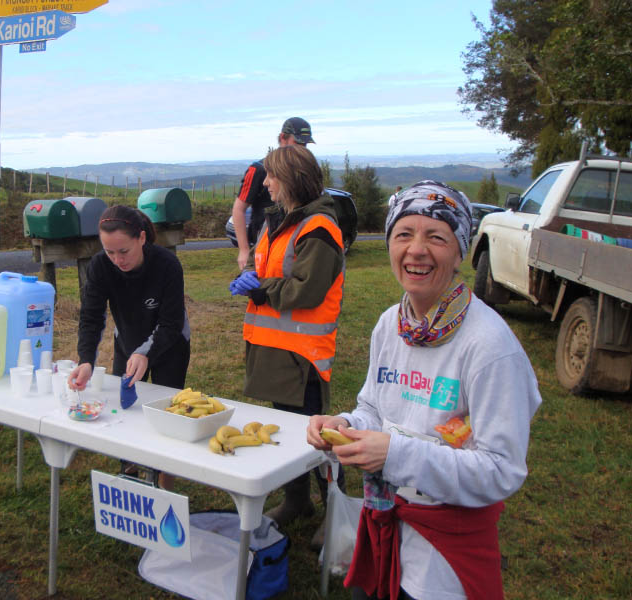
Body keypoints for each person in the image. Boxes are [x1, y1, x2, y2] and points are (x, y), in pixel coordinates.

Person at [306, 181, 542, 600]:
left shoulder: (489, 346)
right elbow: (374, 409)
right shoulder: (390, 325)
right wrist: (344, 425)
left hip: (444, 556)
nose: (416, 250)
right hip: (384, 525)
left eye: (436, 237)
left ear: (459, 251)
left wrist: (395, 455)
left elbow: (501, 469)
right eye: (403, 234)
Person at [229, 144, 345, 549]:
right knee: (288, 430)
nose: (266, 183)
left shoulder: (319, 228)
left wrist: (261, 288)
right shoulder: (278, 221)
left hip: (302, 356)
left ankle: (338, 510)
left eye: (272, 176)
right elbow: (267, 268)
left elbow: (308, 290)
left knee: (318, 436)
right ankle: (297, 501)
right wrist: (250, 278)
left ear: (292, 179)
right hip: (276, 351)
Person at [69, 205, 191, 488]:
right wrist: (86, 360)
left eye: (123, 251)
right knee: (126, 410)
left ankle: (163, 483)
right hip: (127, 339)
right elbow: (91, 317)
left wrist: (145, 352)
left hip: (170, 344)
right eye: (110, 252)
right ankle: (130, 478)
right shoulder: (100, 266)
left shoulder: (167, 265)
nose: (117, 260)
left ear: (141, 238)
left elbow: (171, 323)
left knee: (168, 413)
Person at [231, 117, 315, 270]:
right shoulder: (258, 169)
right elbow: (238, 209)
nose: (302, 149)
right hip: (263, 243)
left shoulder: (304, 170)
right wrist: (244, 250)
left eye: (305, 145)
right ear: (283, 138)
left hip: (294, 244)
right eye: (298, 143)